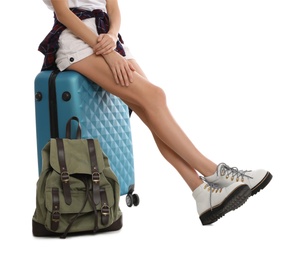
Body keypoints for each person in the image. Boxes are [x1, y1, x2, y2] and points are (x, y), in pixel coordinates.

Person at [39, 0, 272, 225]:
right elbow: (63, 12)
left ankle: (201, 192)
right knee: (153, 97)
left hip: (108, 38)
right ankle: (214, 173)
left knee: (153, 107)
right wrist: (107, 53)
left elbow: (113, 7)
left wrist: (111, 37)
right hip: (78, 40)